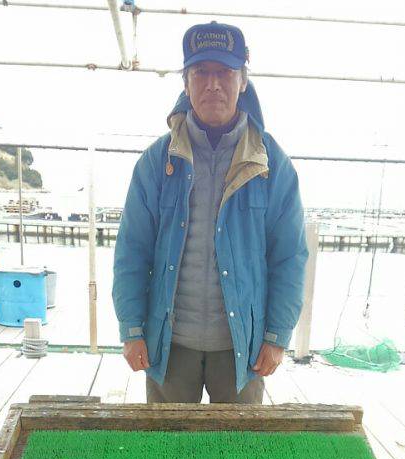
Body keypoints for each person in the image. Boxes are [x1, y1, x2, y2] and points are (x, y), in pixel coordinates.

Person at [113, 21, 308, 403]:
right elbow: (131, 250)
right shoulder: (156, 161)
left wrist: (277, 336)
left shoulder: (272, 163)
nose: (213, 84)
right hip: (168, 344)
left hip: (243, 350)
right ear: (185, 83)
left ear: (243, 81)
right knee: (163, 457)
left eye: (224, 72)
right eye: (201, 72)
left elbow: (290, 256)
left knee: (239, 455)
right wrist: (132, 329)